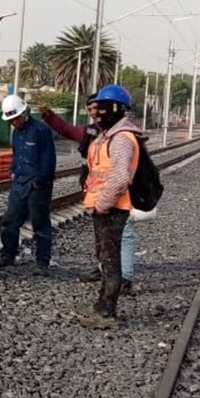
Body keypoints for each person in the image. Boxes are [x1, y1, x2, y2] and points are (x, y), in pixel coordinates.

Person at [38, 96, 138, 294]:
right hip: (100, 193)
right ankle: (104, 270)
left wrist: (104, 201)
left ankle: (124, 278)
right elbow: (68, 130)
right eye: (90, 108)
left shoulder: (121, 135)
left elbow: (122, 174)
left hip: (121, 195)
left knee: (124, 235)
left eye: (97, 108)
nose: (94, 112)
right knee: (103, 237)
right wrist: (49, 116)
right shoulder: (93, 132)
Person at [77, 84, 143, 329]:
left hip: (113, 207)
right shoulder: (108, 134)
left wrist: (102, 205)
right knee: (104, 259)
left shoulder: (122, 138)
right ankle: (101, 304)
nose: (97, 112)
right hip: (104, 206)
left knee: (111, 260)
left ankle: (107, 311)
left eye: (102, 107)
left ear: (114, 109)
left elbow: (118, 178)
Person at [0, 94, 58, 274]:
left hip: (38, 186)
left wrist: (39, 182)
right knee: (10, 220)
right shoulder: (17, 133)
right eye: (10, 120)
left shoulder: (41, 131)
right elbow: (16, 154)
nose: (13, 123)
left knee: (40, 223)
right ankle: (8, 254)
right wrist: (13, 171)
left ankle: (42, 262)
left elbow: (48, 160)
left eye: (15, 119)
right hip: (20, 182)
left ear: (24, 113)